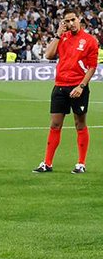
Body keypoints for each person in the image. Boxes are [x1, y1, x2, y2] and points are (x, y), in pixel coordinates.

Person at [34, 10, 96, 174]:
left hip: (78, 87)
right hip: (60, 86)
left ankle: (81, 163)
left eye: (73, 19)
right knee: (55, 124)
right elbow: (48, 55)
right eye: (67, 21)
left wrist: (81, 86)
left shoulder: (89, 40)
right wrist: (57, 35)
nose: (71, 23)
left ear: (79, 19)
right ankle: (47, 163)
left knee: (80, 124)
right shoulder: (63, 38)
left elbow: (92, 67)